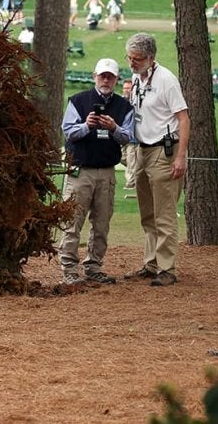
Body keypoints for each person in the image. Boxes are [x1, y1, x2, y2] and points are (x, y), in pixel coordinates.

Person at [58, 58, 135, 285]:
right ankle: (69, 269)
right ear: (94, 76)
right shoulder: (79, 101)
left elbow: (129, 136)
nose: (106, 80)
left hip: (107, 172)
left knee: (102, 223)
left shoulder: (124, 107)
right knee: (73, 222)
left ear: (116, 79)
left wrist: (113, 128)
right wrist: (87, 125)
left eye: (110, 77)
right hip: (80, 170)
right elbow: (69, 132)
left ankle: (93, 266)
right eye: (102, 76)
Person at [123, 32, 189, 287]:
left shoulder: (166, 80)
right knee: (147, 213)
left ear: (151, 58)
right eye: (130, 58)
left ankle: (167, 268)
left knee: (164, 214)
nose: (132, 63)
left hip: (164, 150)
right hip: (142, 149)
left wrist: (180, 156)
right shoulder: (137, 78)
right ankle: (150, 263)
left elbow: (183, 118)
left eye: (137, 58)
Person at [121, 78, 138, 192]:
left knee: (131, 160)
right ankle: (136, 174)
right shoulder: (120, 103)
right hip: (121, 137)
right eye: (125, 88)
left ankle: (131, 183)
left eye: (129, 88)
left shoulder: (136, 102)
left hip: (133, 139)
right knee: (122, 158)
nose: (126, 90)